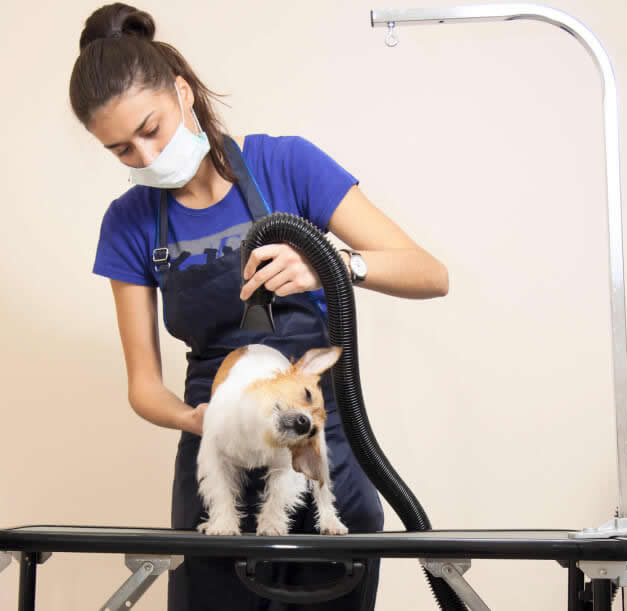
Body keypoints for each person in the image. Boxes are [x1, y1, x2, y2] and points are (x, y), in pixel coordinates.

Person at [69, 4, 449, 610]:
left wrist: (332, 262)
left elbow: (431, 274)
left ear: (182, 92)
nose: (145, 158)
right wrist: (198, 422)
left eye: (152, 129)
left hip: (321, 449)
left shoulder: (285, 165)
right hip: (220, 453)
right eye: (121, 150)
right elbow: (143, 385)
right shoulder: (128, 224)